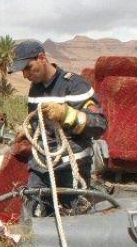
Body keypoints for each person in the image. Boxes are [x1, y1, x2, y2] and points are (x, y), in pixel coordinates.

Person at [8, 40, 107, 213]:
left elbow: (99, 125)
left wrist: (66, 115)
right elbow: (37, 123)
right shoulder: (34, 91)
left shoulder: (76, 85)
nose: (25, 75)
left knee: (73, 218)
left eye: (28, 67)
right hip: (40, 167)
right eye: (22, 70)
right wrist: (29, 130)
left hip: (71, 168)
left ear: (42, 58)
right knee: (33, 214)